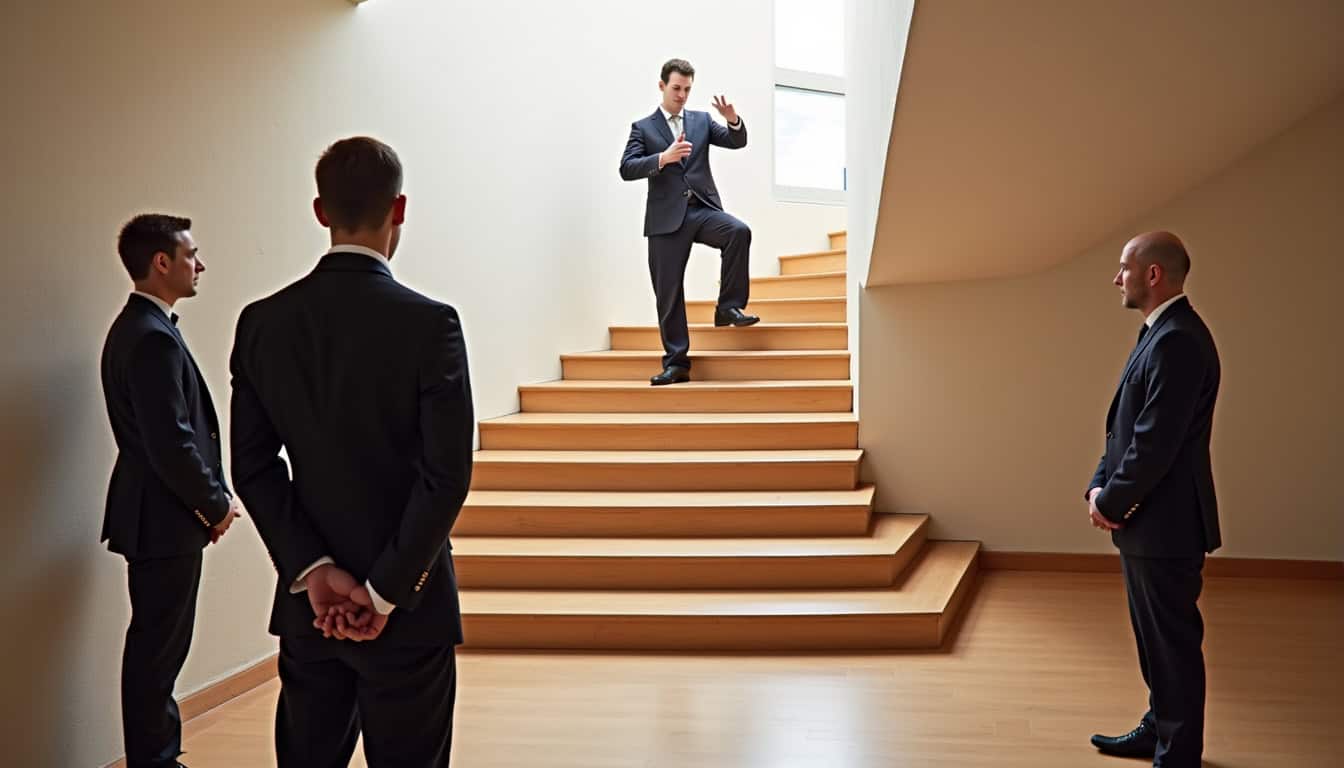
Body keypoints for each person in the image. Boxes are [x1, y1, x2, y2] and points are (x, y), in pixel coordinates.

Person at [229, 136, 474, 767]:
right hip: (408, 610)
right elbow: (445, 476)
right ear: (399, 209)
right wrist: (385, 589)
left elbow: (252, 467)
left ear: (319, 211)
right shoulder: (431, 323)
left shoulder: (263, 322)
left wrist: (313, 571)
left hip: (312, 614)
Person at [100, 213, 242, 768]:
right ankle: (154, 762)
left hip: (156, 515)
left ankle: (156, 757)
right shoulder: (151, 337)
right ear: (162, 262)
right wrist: (215, 503)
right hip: (164, 517)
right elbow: (172, 442)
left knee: (157, 647)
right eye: (191, 254)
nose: (199, 264)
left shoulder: (141, 328)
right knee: (158, 651)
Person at [1085, 231, 1221, 767]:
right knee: (1154, 641)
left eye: (1124, 267)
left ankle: (1178, 753)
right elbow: (1125, 429)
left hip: (1166, 525)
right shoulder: (1161, 333)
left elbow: (1155, 444)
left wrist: (1111, 503)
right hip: (1150, 523)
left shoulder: (1178, 339)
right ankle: (1159, 728)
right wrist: (1099, 486)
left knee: (1172, 645)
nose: (1117, 278)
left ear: (1153, 275)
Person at [620, 57, 758, 386]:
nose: (682, 95)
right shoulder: (643, 127)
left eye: (687, 89)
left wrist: (733, 120)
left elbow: (736, 141)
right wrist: (662, 159)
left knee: (738, 231)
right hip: (665, 220)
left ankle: (728, 307)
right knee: (668, 292)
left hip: (701, 209)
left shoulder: (700, 120)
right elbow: (627, 168)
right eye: (676, 88)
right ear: (662, 85)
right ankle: (677, 364)